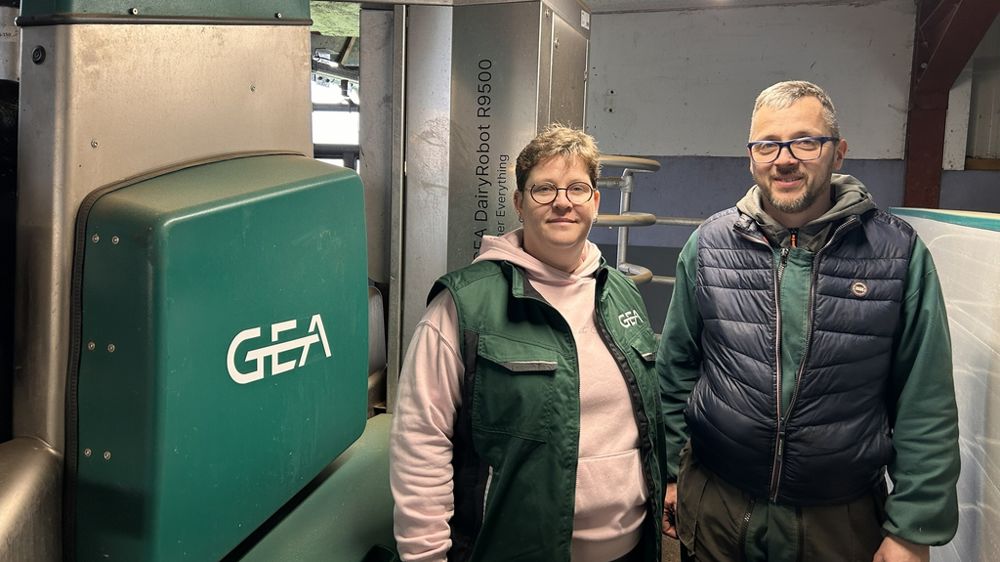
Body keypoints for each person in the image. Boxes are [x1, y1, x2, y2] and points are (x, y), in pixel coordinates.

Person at [658, 80, 960, 562]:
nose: (784, 159)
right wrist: (675, 472)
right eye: (767, 144)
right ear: (751, 156)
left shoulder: (897, 255)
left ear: (837, 153)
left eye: (805, 141)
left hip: (837, 522)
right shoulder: (709, 246)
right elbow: (676, 369)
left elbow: (925, 401)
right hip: (716, 507)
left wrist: (912, 529)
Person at [390, 124, 667, 562]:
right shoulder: (463, 305)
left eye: (577, 188)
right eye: (544, 189)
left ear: (595, 202)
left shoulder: (621, 294)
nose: (562, 201)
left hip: (631, 550)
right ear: (519, 203)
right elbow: (421, 443)